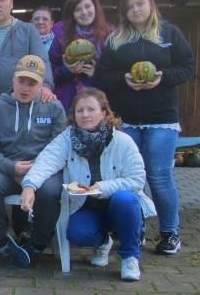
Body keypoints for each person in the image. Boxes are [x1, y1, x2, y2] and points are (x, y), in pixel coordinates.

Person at [95, 0, 195, 255]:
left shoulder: (169, 33)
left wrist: (163, 77)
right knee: (128, 178)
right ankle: (133, 230)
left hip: (162, 118)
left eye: (140, 4)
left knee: (160, 177)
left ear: (150, 4)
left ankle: (169, 233)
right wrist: (124, 80)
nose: (135, 10)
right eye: (130, 7)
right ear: (124, 12)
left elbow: (187, 67)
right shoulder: (116, 40)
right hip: (126, 120)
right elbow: (102, 76)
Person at [21, 88, 156, 281]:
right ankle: (102, 242)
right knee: (77, 233)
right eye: (80, 110)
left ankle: (130, 257)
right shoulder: (67, 138)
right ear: (74, 115)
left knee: (125, 200)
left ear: (104, 112)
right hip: (86, 205)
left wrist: (101, 188)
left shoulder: (122, 141)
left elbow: (136, 180)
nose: (85, 115)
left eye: (91, 109)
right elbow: (46, 161)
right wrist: (29, 186)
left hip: (119, 205)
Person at [0, 55, 66, 268]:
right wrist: (11, 167)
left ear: (42, 83)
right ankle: (0, 242)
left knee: (51, 191)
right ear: (13, 80)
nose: (25, 88)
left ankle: (36, 245)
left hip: (43, 171)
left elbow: (59, 149)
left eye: (32, 83)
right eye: (21, 81)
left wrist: (36, 172)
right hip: (8, 169)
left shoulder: (54, 108)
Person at [49, 0, 111, 112]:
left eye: (87, 6)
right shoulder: (60, 32)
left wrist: (96, 74)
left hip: (98, 105)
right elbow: (48, 72)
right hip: (67, 104)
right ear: (72, 13)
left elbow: (114, 76)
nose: (84, 12)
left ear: (95, 7)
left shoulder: (110, 34)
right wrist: (67, 70)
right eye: (77, 9)